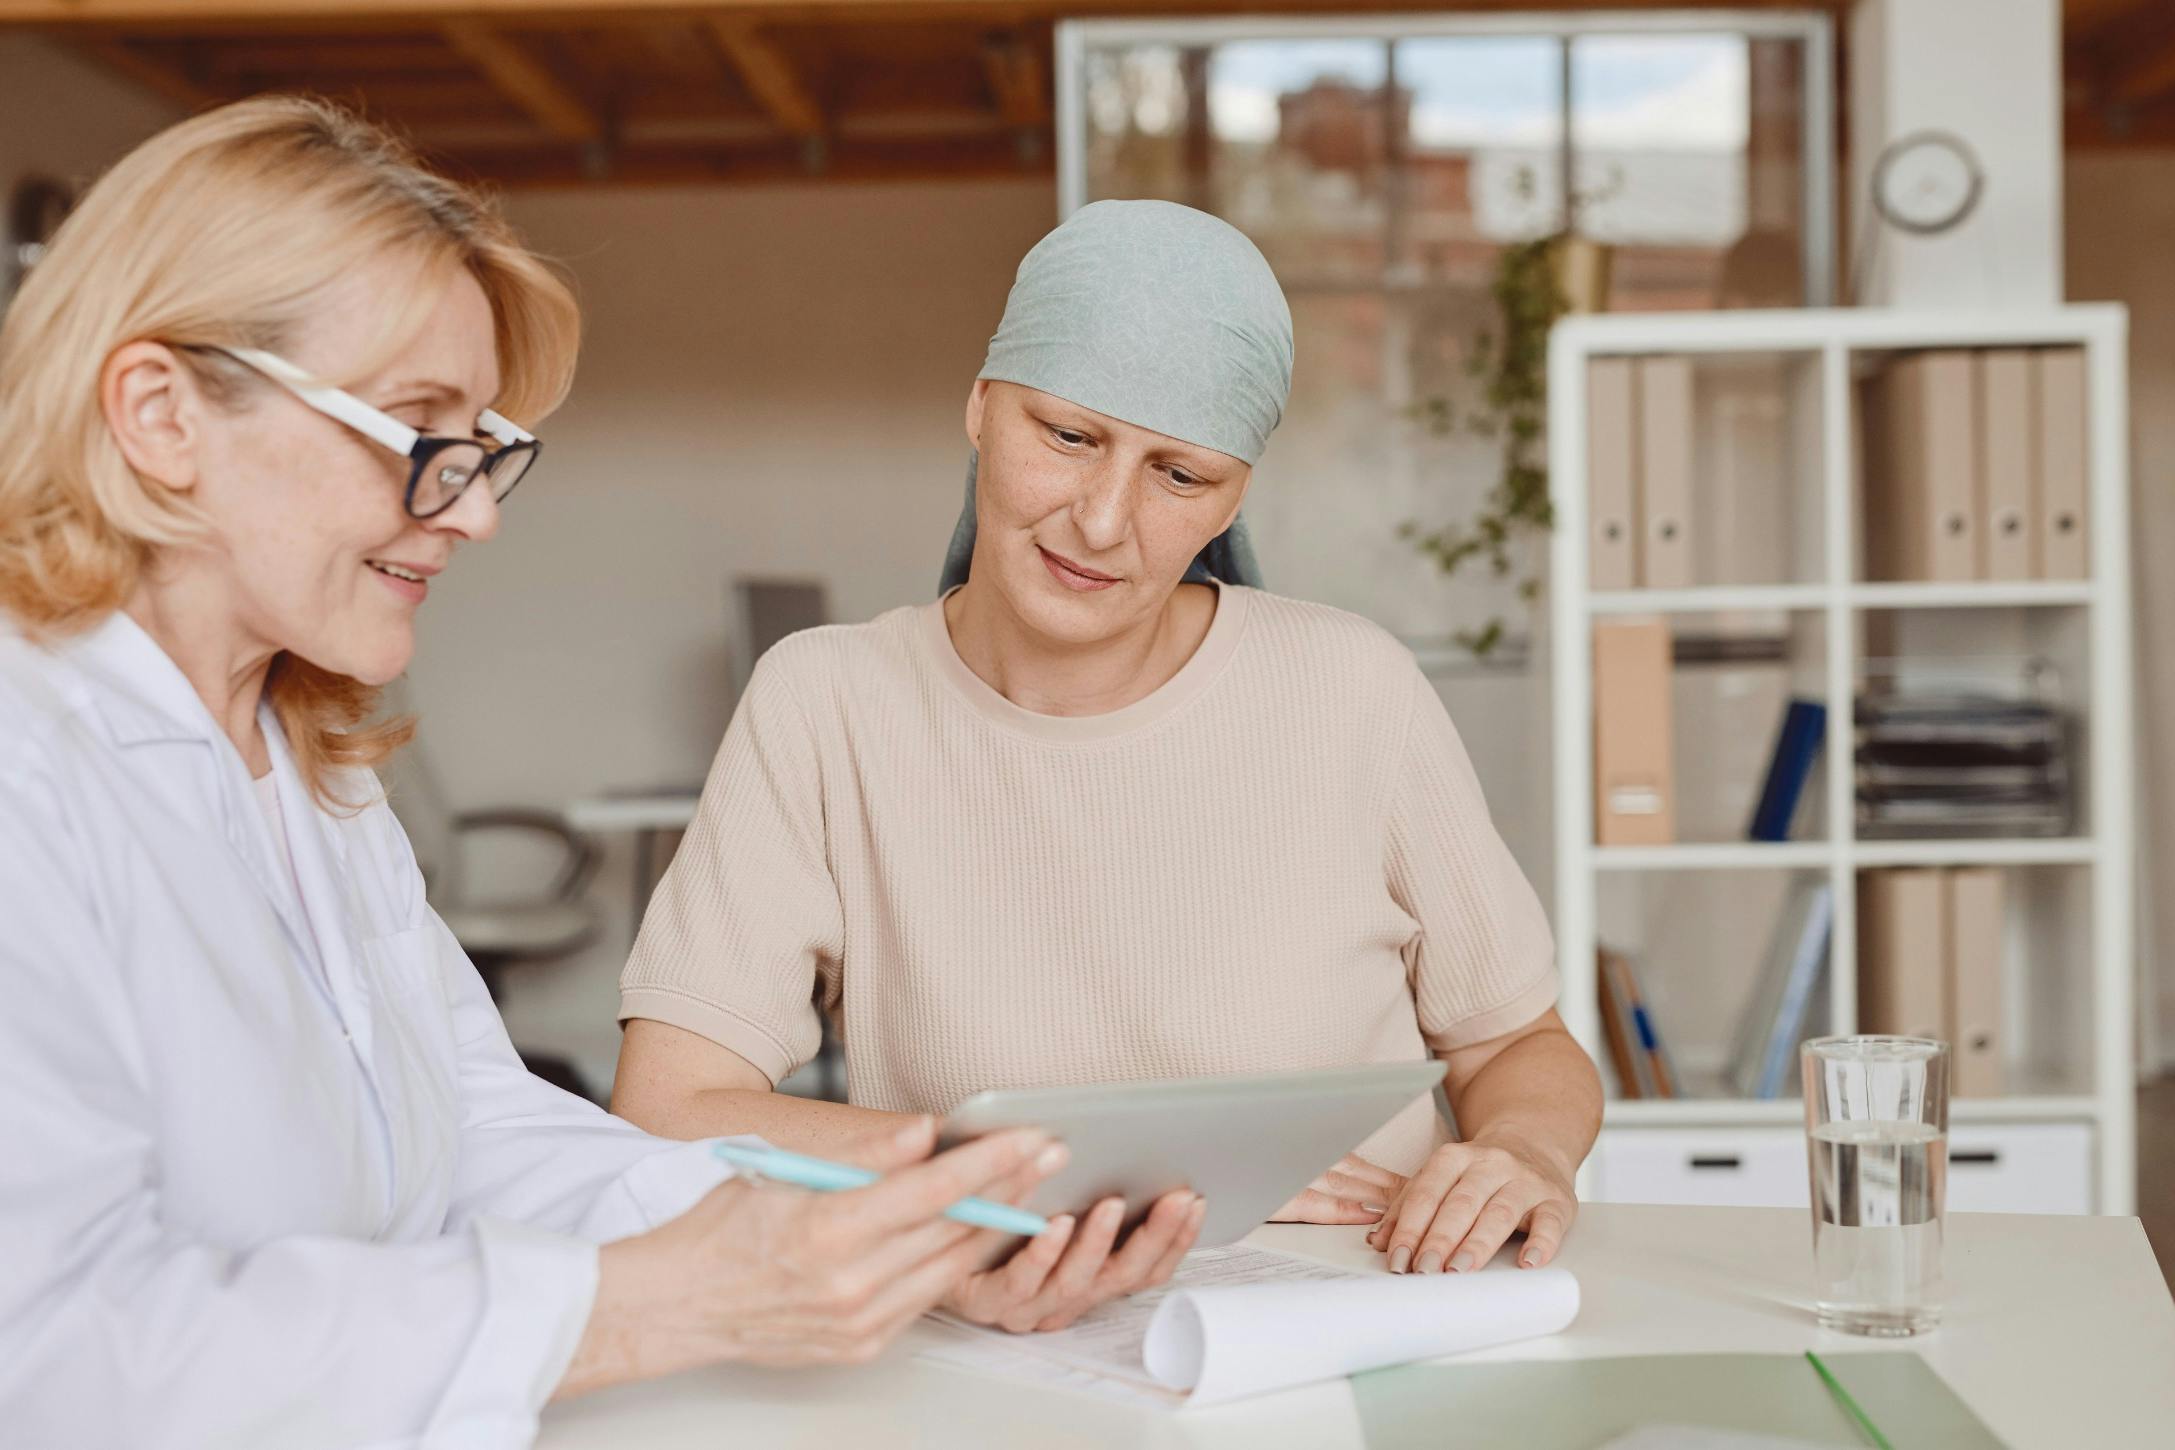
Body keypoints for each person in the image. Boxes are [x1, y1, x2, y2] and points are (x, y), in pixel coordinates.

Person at [0, 97, 1069, 1449]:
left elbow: (478, 1126)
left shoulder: (302, 765)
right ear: (161, 415)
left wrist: (873, 1224)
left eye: (487, 447)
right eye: (417, 432)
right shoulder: (28, 772)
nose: (478, 508)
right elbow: (48, 1356)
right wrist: (652, 1303)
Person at [612, 200, 1605, 1327]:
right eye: (1069, 437)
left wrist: (1523, 1149)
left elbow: (1516, 1041)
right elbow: (672, 1103)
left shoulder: (1354, 688)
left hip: (1349, 1324)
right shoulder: (826, 700)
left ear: (1234, 496)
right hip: (998, 1340)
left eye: (1180, 476)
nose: (1101, 521)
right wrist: (1037, 1177)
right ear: (982, 408)